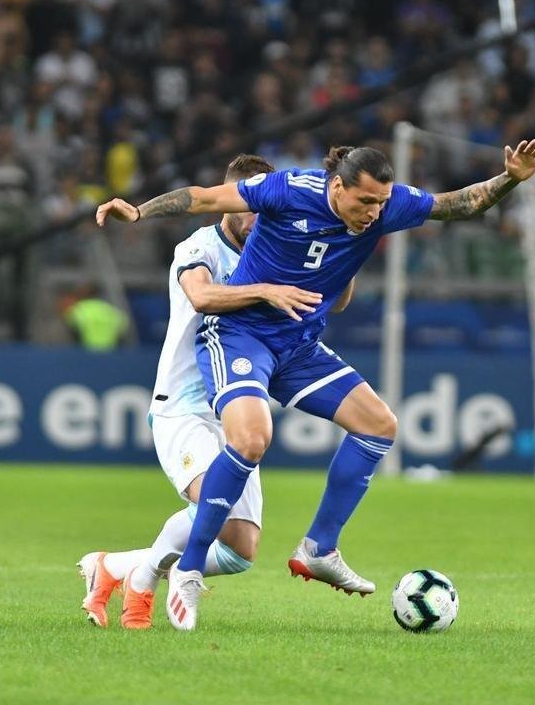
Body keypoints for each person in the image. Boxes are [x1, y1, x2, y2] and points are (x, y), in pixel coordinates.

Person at [97, 138, 535, 630]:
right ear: (337, 187)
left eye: (381, 203)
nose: (374, 213)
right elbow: (203, 199)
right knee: (253, 438)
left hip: (297, 346)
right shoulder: (284, 192)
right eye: (364, 202)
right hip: (240, 340)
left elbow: (457, 204)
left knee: (380, 425)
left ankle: (318, 548)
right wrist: (139, 212)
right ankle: (185, 569)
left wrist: (510, 178)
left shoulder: (386, 206)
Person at [81, 154, 352, 629]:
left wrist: (343, 253)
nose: (255, 219)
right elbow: (203, 297)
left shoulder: (277, 249)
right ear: (226, 203)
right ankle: (141, 585)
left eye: (263, 210)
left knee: (240, 550)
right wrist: (267, 290)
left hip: (235, 410)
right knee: (210, 509)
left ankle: (113, 567)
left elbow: (338, 301)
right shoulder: (198, 247)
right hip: (183, 409)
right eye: (247, 207)